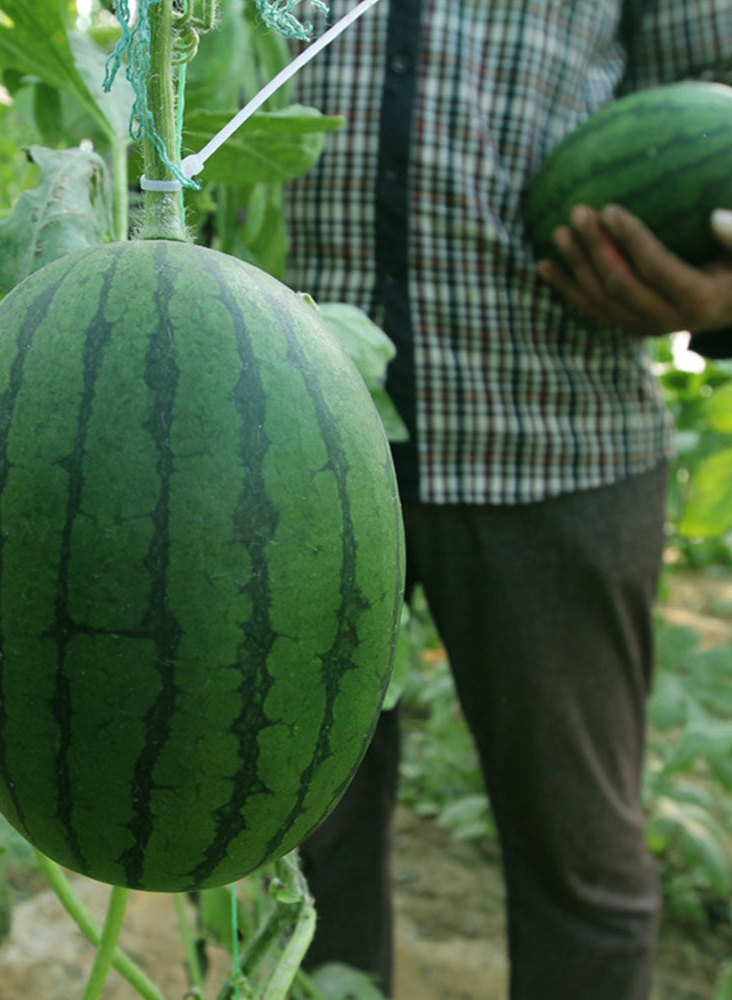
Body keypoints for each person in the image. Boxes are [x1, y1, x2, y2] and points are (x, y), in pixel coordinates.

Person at [281, 2, 732, 998]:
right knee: (297, 855)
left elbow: (720, 100)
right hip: (282, 443)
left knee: (580, 860)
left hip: (554, 436)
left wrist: (722, 294)